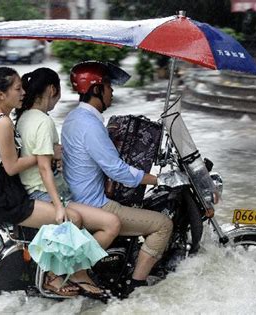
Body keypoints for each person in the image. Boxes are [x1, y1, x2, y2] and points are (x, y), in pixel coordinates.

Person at [0, 66, 85, 297]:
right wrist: (45, 155)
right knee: (69, 219)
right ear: (2, 94)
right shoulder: (3, 123)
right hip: (4, 197)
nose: (24, 92)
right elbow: (11, 167)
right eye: (18, 88)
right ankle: (51, 275)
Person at [61, 61, 173, 293]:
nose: (112, 92)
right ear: (96, 90)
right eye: (109, 86)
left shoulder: (73, 118)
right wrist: (159, 179)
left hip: (76, 198)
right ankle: (136, 286)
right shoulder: (90, 124)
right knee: (163, 224)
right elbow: (117, 170)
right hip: (95, 204)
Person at [15, 67, 120, 299]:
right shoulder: (43, 121)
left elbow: (40, 158)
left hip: (31, 191)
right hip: (45, 194)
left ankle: (69, 270)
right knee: (111, 223)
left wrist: (54, 155)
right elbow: (44, 168)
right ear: (52, 89)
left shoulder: (23, 118)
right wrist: (59, 206)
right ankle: (71, 272)